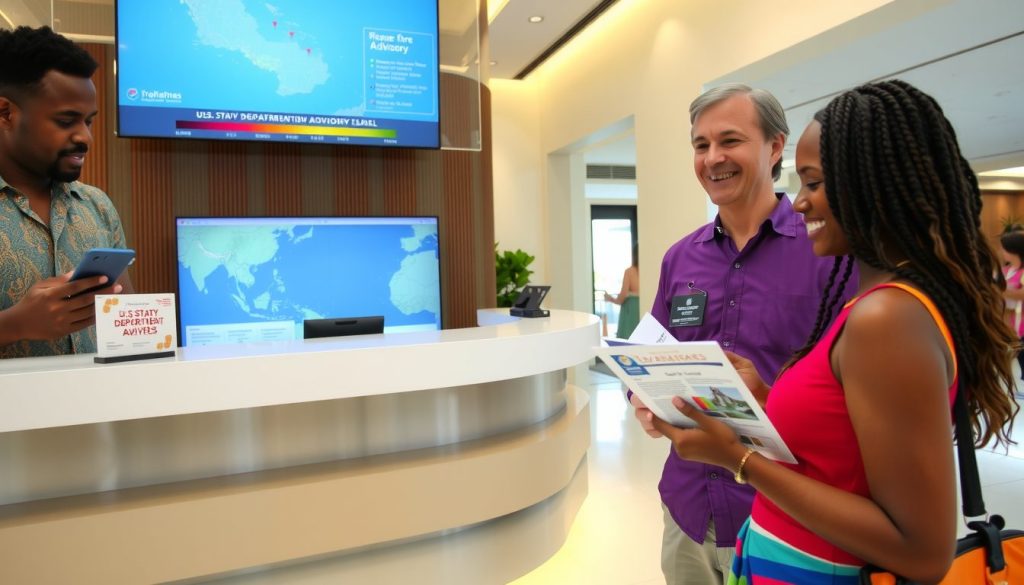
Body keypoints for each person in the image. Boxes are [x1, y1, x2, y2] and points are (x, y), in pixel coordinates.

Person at [649, 79, 1019, 583]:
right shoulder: (683, 257)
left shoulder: (881, 311)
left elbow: (920, 548)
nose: (801, 204)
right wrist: (759, 395)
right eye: (701, 144)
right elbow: (835, 415)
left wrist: (738, 458)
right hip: (708, 513)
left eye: (815, 183)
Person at [632, 83, 853, 585]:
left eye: (729, 141)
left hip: (784, 516)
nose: (713, 158)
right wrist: (643, 397)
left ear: (775, 147)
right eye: (701, 145)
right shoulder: (679, 258)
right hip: (688, 508)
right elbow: (652, 353)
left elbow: (853, 398)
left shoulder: (828, 252)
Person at [0, 26, 132, 359]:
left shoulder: (96, 205)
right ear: (5, 113)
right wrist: (15, 324)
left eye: (88, 121)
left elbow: (128, 325)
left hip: (99, 409)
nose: (85, 137)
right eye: (66, 120)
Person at [998, 229, 1024, 385]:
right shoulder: (1005, 271)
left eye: (1003, 248)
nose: (1001, 251)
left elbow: (1021, 294)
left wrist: (999, 290)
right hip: (1008, 324)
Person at [604, 243, 640, 339]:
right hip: (644, 311)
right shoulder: (649, 271)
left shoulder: (629, 272)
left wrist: (609, 298)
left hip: (630, 311)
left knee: (628, 342)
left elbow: (621, 298)